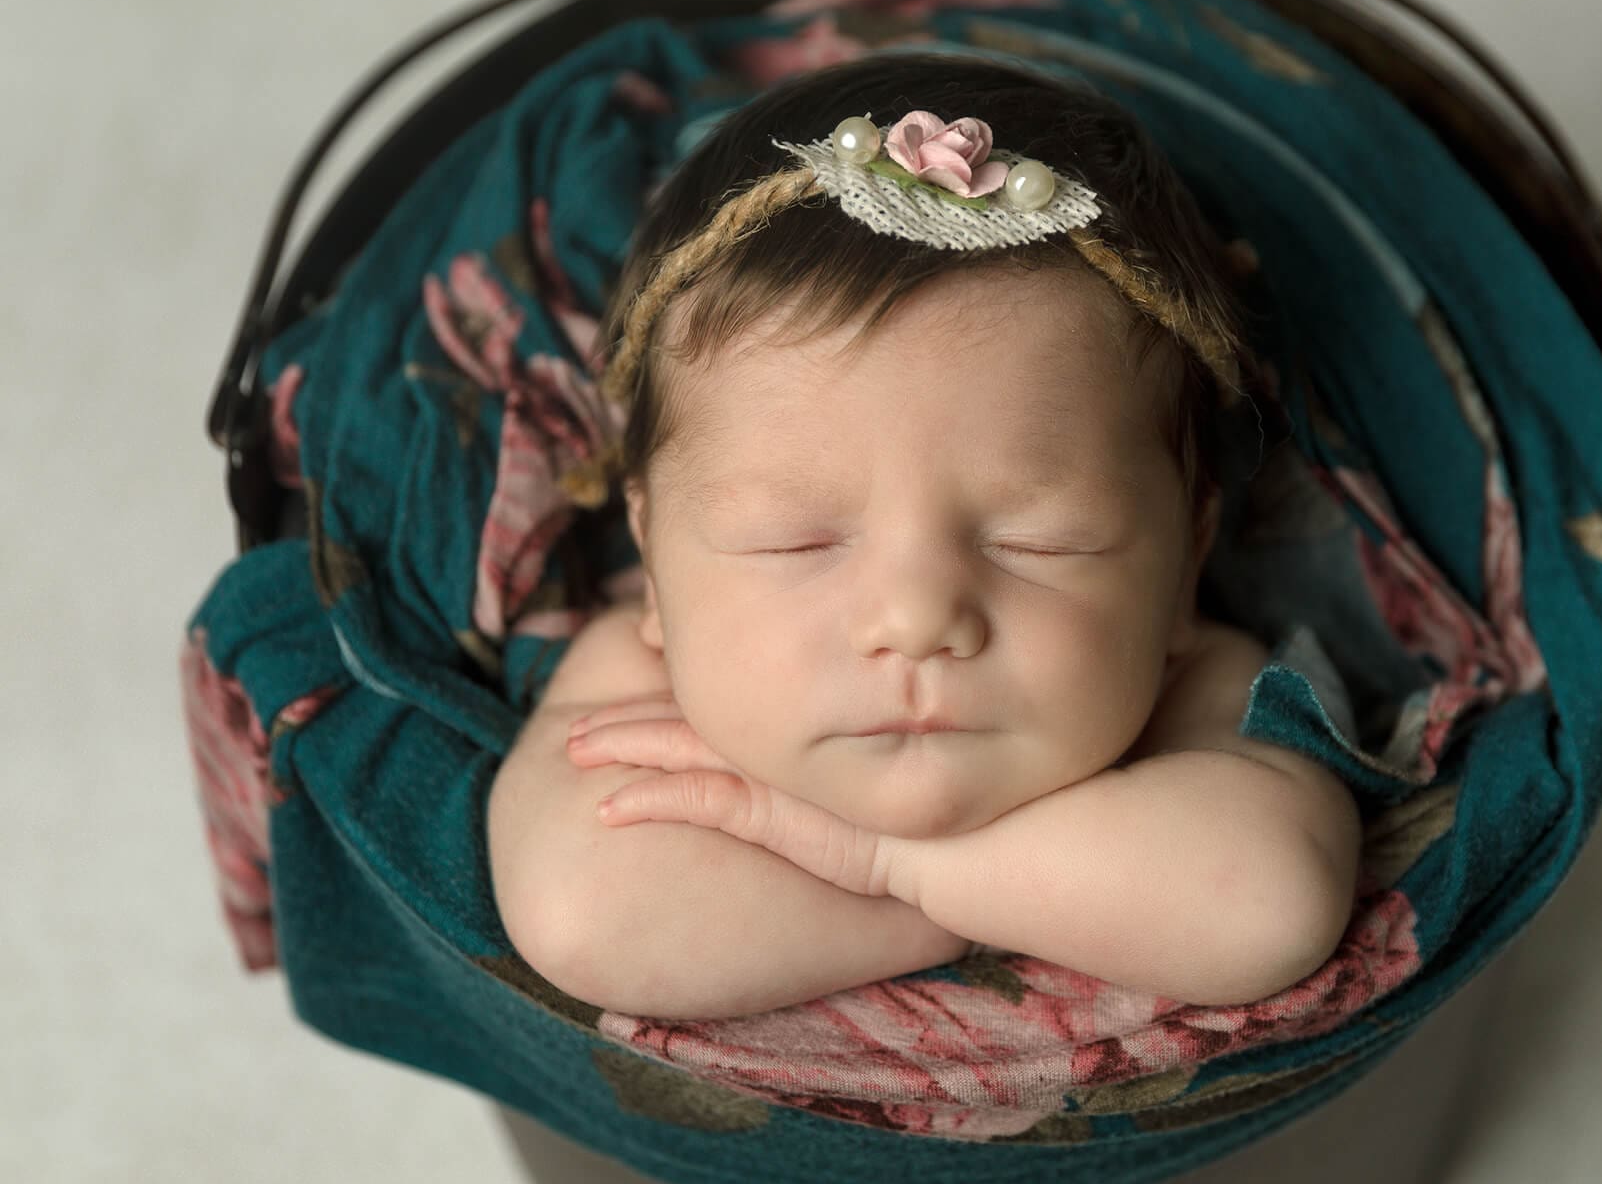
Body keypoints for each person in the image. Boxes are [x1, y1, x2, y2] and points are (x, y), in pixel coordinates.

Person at [485, 51, 1361, 1018]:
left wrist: (889, 865)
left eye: (1042, 541)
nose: (915, 618)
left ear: (1185, 562)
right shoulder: (629, 672)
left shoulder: (1190, 681)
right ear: (651, 565)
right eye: (794, 542)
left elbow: (1267, 904)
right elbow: (584, 915)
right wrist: (1050, 896)